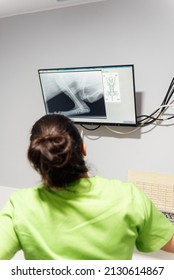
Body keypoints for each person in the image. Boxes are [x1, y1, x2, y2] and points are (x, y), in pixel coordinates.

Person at [0, 114, 174, 260]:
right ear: (83, 148)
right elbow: (170, 243)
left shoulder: (19, 205)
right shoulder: (128, 196)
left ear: (37, 158)